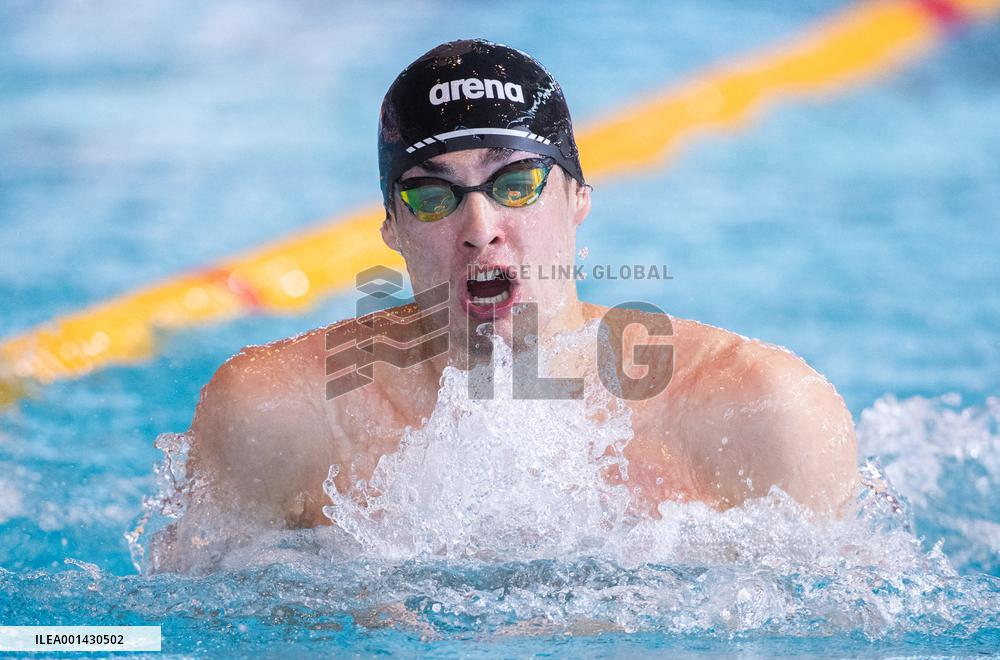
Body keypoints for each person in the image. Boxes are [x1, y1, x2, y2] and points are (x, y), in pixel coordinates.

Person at [165, 39, 858, 563]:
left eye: (516, 183)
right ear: (391, 227)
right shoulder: (279, 417)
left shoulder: (758, 413)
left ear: (579, 197)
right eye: (432, 196)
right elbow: (165, 641)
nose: (479, 228)